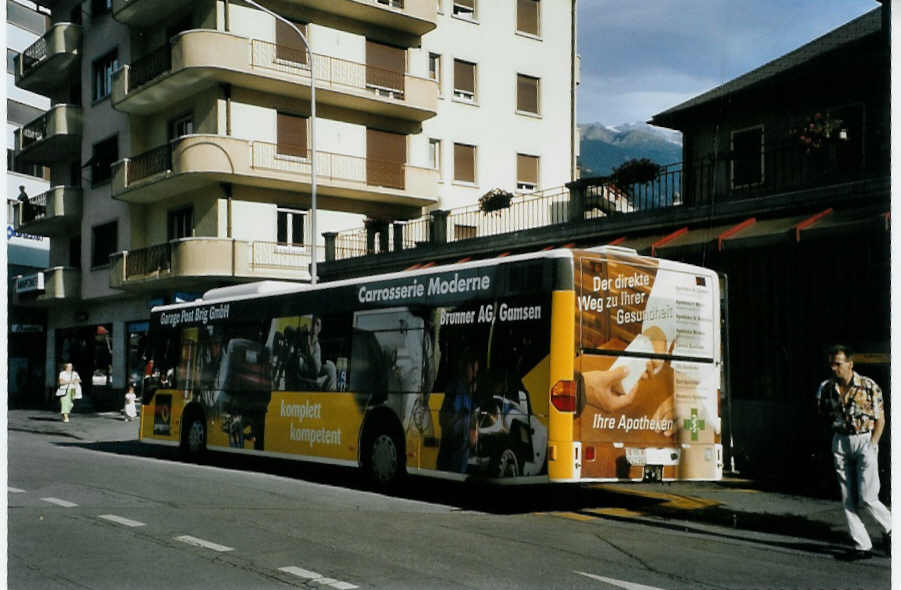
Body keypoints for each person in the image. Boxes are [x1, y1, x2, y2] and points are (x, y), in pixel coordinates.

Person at [816, 345, 891, 560]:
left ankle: (892, 529)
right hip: (840, 441)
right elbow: (822, 415)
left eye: (838, 364)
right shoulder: (826, 388)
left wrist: (873, 444)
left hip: (864, 439)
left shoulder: (868, 386)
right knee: (848, 498)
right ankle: (861, 545)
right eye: (831, 363)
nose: (834, 368)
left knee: (867, 496)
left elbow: (880, 419)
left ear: (850, 363)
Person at [437, 348, 479, 473]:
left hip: (458, 452)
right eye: (473, 370)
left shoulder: (465, 388)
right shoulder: (458, 387)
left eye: (476, 371)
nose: (475, 375)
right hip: (453, 452)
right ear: (466, 367)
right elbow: (451, 419)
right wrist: (469, 427)